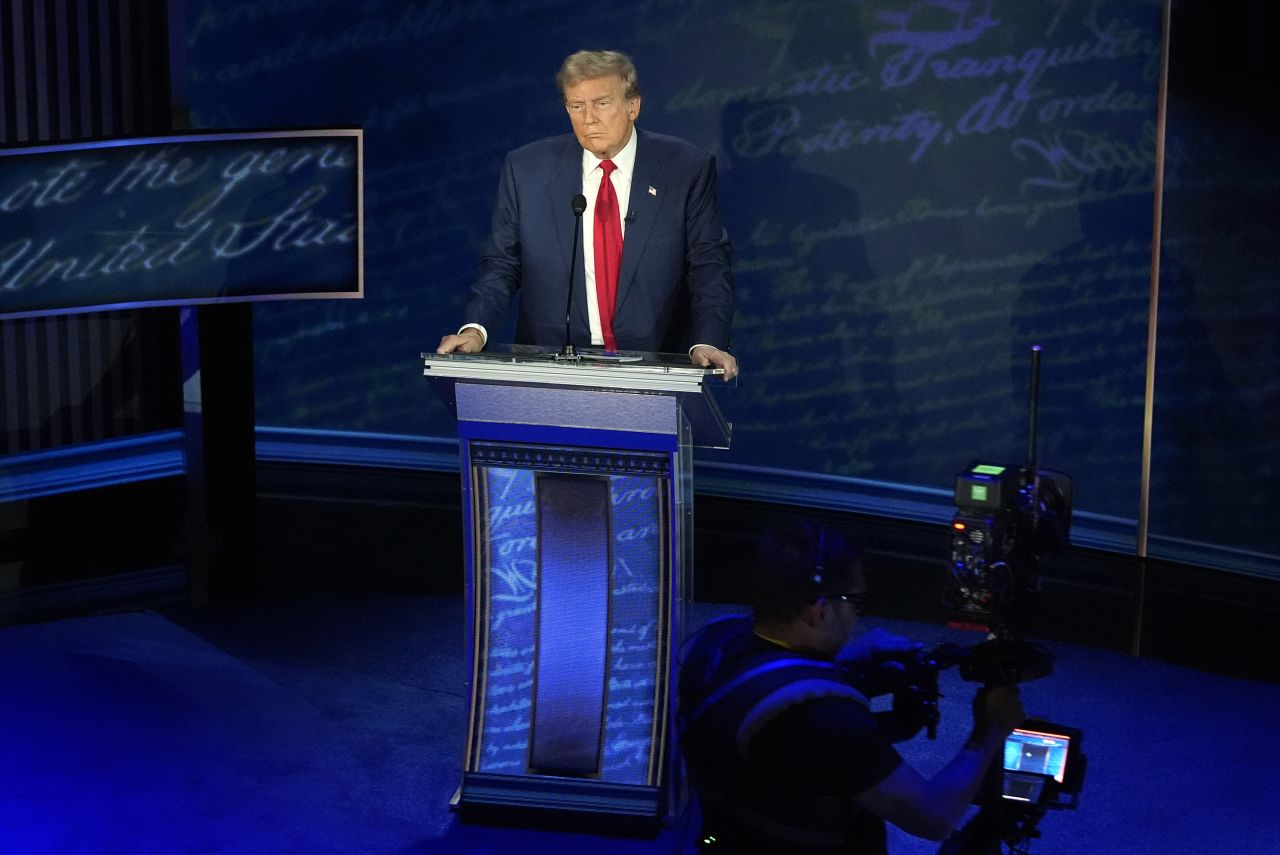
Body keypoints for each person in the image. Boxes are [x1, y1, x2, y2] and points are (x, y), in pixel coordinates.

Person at [677, 519, 1025, 854]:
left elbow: (759, 686)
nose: (858, 616)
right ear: (818, 612)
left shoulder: (713, 642)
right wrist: (990, 730)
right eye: (855, 602)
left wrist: (839, 663)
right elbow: (933, 818)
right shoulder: (829, 721)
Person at [436, 50, 738, 380]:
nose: (588, 118)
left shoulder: (684, 169)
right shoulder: (527, 170)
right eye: (576, 106)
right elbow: (502, 263)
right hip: (550, 370)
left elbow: (708, 265)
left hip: (654, 367)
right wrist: (475, 329)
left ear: (633, 106)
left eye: (601, 103)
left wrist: (707, 340)